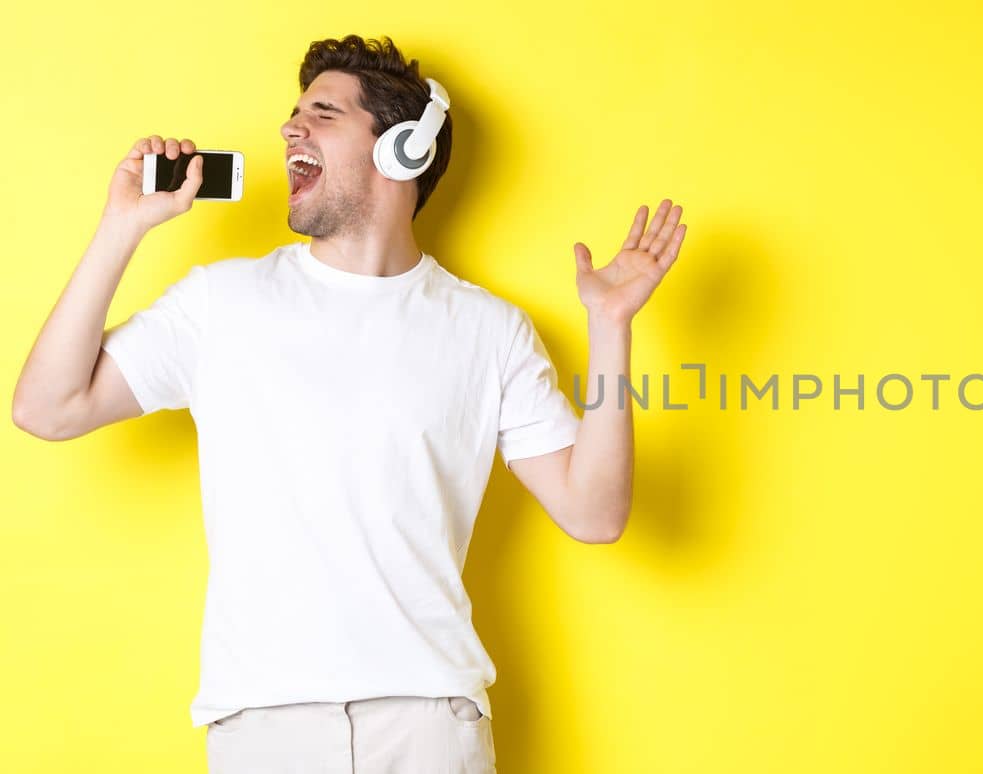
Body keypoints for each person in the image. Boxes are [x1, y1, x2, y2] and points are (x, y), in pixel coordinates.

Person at [10, 34, 686, 773]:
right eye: (294, 113)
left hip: (429, 725)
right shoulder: (220, 303)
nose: (289, 128)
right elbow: (48, 408)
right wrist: (123, 226)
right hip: (264, 726)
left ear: (403, 149)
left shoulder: (488, 330)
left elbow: (595, 514)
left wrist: (611, 329)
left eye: (323, 114)